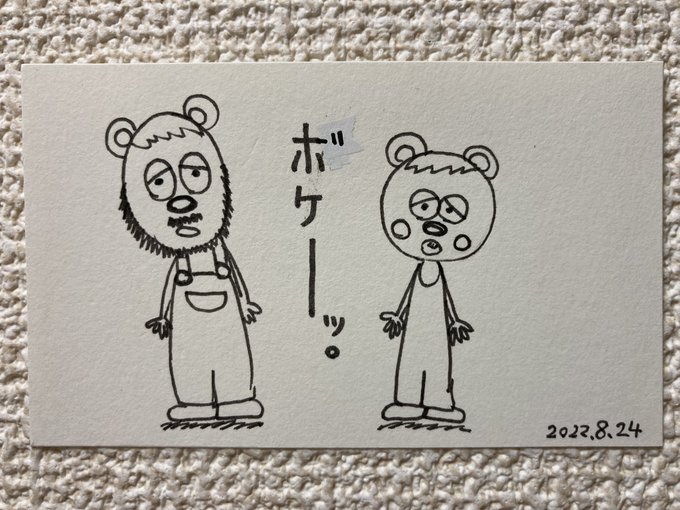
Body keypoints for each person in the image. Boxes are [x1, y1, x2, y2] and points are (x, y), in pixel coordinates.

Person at [105, 95, 263, 422]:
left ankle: (237, 396)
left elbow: (234, 274)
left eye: (194, 172)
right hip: (186, 307)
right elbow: (169, 287)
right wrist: (164, 316)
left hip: (226, 303)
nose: (180, 199)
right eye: (159, 182)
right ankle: (194, 401)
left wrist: (245, 302)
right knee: (190, 353)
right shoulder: (181, 259)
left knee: (231, 348)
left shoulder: (219, 249)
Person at [379, 132, 499, 423]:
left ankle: (439, 403)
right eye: (424, 207)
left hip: (436, 326)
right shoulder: (421, 270)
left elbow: (445, 299)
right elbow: (409, 296)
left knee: (438, 358)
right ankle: (407, 400)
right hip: (414, 325)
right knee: (410, 356)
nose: (436, 223)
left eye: (452, 211)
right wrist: (398, 315)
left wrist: (454, 321)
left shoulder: (436, 272)